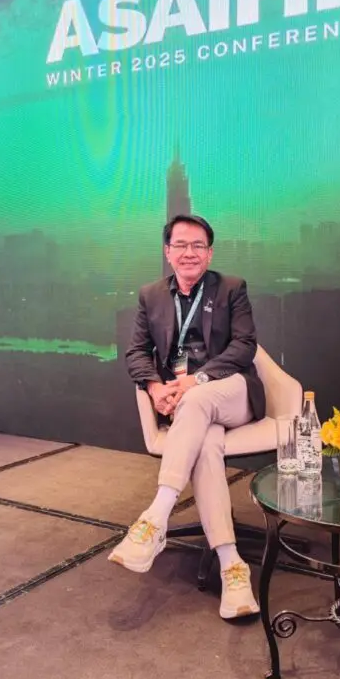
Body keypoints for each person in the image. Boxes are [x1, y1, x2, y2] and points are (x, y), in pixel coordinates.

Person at [108, 214, 264, 620]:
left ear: (209, 253)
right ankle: (232, 565)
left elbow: (244, 346)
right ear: (168, 252)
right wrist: (155, 387)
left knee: (197, 401)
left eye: (198, 245)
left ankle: (156, 516)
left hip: (230, 391)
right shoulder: (150, 296)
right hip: (183, 403)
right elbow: (136, 352)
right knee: (207, 444)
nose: (189, 252)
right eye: (180, 244)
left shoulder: (231, 288)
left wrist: (195, 381)